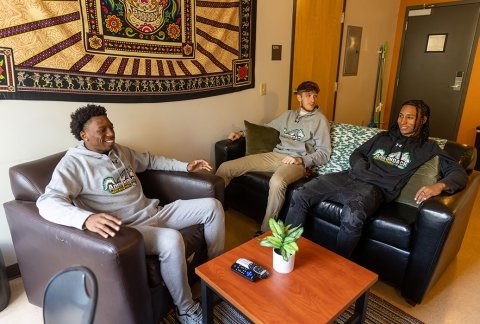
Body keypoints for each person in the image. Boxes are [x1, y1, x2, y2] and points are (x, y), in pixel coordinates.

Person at [36, 104, 224, 324]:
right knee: (171, 240)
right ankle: (186, 309)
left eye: (111, 127)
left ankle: (215, 276)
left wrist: (185, 166)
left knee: (212, 206)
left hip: (155, 212)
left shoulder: (118, 151)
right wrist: (85, 218)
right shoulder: (73, 164)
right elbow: (47, 202)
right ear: (84, 135)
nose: (111, 133)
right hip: (130, 230)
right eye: (102, 130)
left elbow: (150, 160)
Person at [285, 99, 468, 258]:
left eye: (410, 117)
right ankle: (286, 250)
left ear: (423, 120)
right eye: (401, 115)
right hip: (348, 176)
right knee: (300, 194)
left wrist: (440, 186)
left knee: (352, 215)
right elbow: (357, 153)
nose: (402, 121)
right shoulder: (383, 137)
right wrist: (360, 167)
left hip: (375, 189)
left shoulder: (428, 147)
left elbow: (459, 172)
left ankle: (337, 267)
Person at [215, 81, 331, 234]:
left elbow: (324, 153)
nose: (312, 100)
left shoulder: (320, 120)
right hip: (276, 155)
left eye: (315, 96)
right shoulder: (288, 115)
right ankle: (209, 211)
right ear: (299, 97)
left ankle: (265, 231)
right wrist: (241, 133)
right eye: (308, 95)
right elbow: (266, 128)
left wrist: (301, 160)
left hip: (297, 162)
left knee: (276, 182)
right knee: (226, 167)